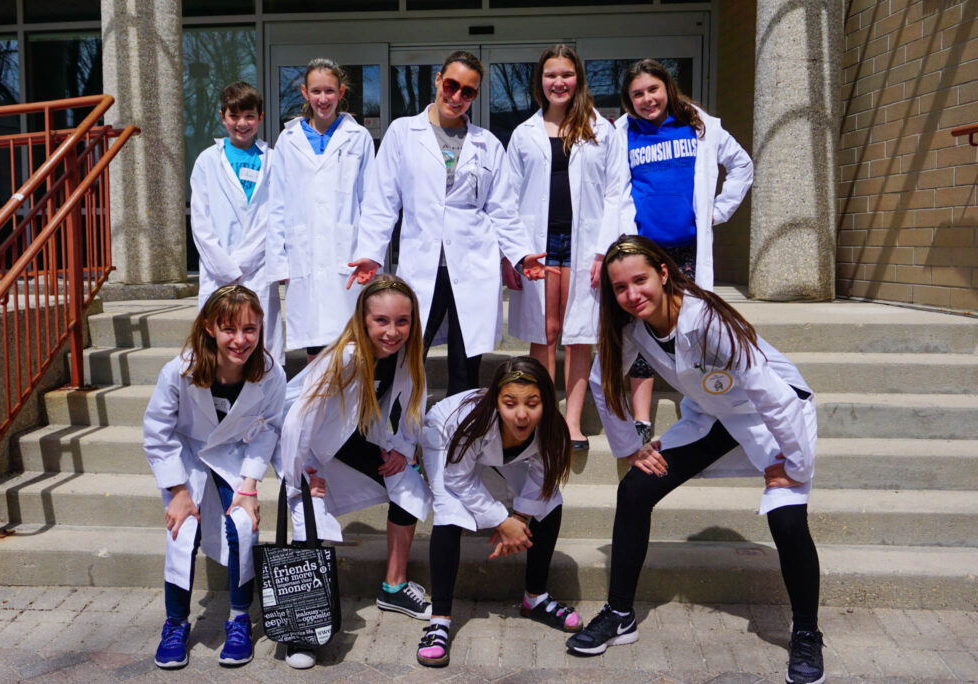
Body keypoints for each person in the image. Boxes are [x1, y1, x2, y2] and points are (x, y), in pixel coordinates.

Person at [571, 235, 825, 684]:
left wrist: (794, 465)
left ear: (663, 273)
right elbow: (601, 383)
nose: (632, 295)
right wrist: (629, 446)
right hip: (714, 417)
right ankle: (619, 614)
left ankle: (806, 633)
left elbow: (774, 397)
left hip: (774, 416)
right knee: (634, 490)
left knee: (786, 519)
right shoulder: (631, 328)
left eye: (640, 280)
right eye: (620, 287)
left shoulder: (708, 320)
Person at [348, 50, 553, 397]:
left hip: (473, 266)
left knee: (464, 365)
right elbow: (382, 201)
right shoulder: (403, 132)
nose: (457, 97)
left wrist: (521, 255)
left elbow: (502, 209)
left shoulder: (487, 144)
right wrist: (370, 253)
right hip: (420, 266)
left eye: (468, 91)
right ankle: (394, 441)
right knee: (402, 357)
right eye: (452, 85)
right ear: (438, 80)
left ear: (475, 96)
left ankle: (459, 443)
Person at [278, 274, 432, 669]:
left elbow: (414, 397)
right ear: (363, 320)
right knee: (310, 517)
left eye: (402, 321)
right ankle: (302, 632)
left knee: (408, 484)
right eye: (381, 321)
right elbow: (297, 419)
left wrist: (403, 448)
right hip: (302, 446)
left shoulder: (405, 354)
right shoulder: (344, 356)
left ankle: (394, 587)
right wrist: (298, 476)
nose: (393, 331)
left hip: (344, 438)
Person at [143, 285, 287, 669]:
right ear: (209, 327)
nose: (241, 340)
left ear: (260, 329)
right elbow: (158, 432)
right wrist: (177, 490)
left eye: (250, 330)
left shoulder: (270, 375)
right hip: (187, 457)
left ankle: (239, 619)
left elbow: (270, 429)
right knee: (182, 531)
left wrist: (249, 485)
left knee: (243, 524)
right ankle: (175, 623)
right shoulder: (178, 371)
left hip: (235, 457)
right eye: (229, 329)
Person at [616, 59, 753, 447]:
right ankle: (641, 417)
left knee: (690, 329)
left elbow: (742, 166)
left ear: (667, 89)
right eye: (637, 94)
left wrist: (719, 211)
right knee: (642, 328)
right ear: (628, 100)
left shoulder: (700, 125)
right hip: (645, 251)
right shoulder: (621, 133)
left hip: (690, 249)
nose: (647, 99)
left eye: (653, 90)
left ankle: (699, 405)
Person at [415, 356, 579, 668]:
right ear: (496, 402)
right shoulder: (469, 422)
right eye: (510, 403)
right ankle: (439, 621)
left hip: (485, 451)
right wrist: (501, 520)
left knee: (549, 502)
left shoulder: (551, 429)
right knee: (451, 512)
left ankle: (536, 598)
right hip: (444, 437)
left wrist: (520, 518)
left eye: (533, 403)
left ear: (546, 401)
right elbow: (458, 477)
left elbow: (542, 477)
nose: (521, 414)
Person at [506, 44, 629, 449]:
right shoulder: (524, 134)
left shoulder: (601, 130)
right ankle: (544, 419)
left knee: (579, 334)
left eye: (566, 74)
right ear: (540, 82)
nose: (558, 82)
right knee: (546, 331)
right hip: (539, 245)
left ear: (578, 79)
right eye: (550, 75)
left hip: (586, 244)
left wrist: (604, 250)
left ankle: (572, 423)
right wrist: (512, 253)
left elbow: (616, 193)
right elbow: (506, 198)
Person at [267, 58, 374, 363]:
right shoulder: (288, 141)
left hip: (348, 254)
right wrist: (279, 262)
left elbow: (371, 201)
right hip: (305, 256)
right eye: (316, 91)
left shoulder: (359, 138)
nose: (323, 99)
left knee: (350, 345)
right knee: (315, 346)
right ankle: (320, 408)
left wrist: (370, 252)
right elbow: (277, 204)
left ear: (341, 92)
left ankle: (351, 411)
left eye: (329, 91)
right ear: (305, 92)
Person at [190, 82, 283, 363]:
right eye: (234, 116)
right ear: (222, 117)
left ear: (260, 118)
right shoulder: (207, 161)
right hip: (218, 270)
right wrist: (225, 267)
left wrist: (241, 263)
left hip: (258, 268)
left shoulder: (274, 160)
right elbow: (200, 223)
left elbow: (274, 217)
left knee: (261, 349)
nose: (241, 124)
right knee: (217, 348)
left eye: (249, 116)